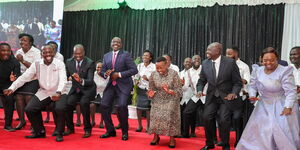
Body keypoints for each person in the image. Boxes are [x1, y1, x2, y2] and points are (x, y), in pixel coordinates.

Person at [236, 48, 300, 150]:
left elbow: (291, 91)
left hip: (281, 105)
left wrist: (288, 106)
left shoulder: (284, 71)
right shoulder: (258, 70)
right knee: (261, 132)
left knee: (280, 131)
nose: (268, 63)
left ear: (277, 59)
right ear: (261, 59)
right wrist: (252, 95)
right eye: (265, 60)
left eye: (271, 60)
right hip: (263, 105)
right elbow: (252, 85)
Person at [3, 44, 68, 142]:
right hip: (44, 91)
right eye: (45, 52)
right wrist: (12, 88)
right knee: (30, 109)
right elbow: (24, 77)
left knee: (60, 108)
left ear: (54, 53)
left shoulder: (59, 63)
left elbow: (63, 79)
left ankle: (59, 132)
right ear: (41, 54)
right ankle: (39, 131)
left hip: (60, 91)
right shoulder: (36, 64)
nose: (47, 54)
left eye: (50, 52)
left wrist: (58, 92)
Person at [197, 42, 242, 150]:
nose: (206, 52)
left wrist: (233, 93)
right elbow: (201, 80)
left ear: (217, 51)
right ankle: (209, 143)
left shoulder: (230, 63)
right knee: (206, 117)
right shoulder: (205, 63)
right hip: (212, 97)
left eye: (209, 50)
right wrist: (199, 90)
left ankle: (225, 144)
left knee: (224, 119)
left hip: (226, 98)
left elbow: (237, 82)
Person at [99, 37, 138, 141]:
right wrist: (105, 74)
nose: (115, 43)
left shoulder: (126, 55)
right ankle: (110, 131)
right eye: (114, 42)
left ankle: (125, 132)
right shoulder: (106, 56)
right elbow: (102, 71)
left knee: (122, 106)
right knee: (104, 105)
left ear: (121, 44)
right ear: (111, 44)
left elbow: (134, 70)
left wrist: (119, 74)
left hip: (124, 85)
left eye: (118, 42)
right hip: (111, 84)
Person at [147, 56, 182, 148]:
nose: (158, 70)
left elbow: (179, 90)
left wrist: (171, 91)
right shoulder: (153, 74)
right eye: (157, 67)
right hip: (157, 98)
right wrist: (150, 92)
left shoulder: (173, 74)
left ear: (166, 65)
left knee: (169, 114)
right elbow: (151, 87)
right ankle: (156, 137)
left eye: (160, 67)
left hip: (171, 99)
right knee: (155, 115)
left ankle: (171, 138)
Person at [64, 44, 96, 138]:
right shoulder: (69, 62)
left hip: (88, 89)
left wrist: (80, 80)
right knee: (68, 104)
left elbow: (90, 81)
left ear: (84, 53)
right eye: (75, 54)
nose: (77, 56)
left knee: (84, 104)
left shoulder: (90, 63)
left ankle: (87, 129)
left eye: (80, 54)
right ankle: (70, 128)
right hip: (76, 89)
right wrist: (67, 77)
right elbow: (65, 75)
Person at [14, 33, 41, 130]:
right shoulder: (18, 51)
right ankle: (22, 121)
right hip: (22, 79)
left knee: (29, 97)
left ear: (30, 42)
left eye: (25, 40)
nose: (22, 42)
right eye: (21, 40)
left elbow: (35, 69)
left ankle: (34, 123)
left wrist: (22, 61)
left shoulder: (36, 52)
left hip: (33, 79)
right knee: (18, 97)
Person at [225, 46, 251, 146]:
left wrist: (235, 77)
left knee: (237, 118)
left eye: (229, 54)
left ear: (236, 54)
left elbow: (246, 81)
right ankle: (225, 141)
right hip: (225, 96)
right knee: (224, 119)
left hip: (238, 96)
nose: (227, 56)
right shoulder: (224, 65)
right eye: (226, 54)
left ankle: (238, 140)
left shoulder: (244, 66)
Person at [0, 43, 20, 131]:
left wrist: (14, 79)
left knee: (9, 100)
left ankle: (8, 125)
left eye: (8, 51)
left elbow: (17, 76)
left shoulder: (14, 62)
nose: (6, 53)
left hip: (8, 85)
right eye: (3, 51)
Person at [181, 55, 202, 138]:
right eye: (195, 59)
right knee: (186, 112)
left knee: (209, 117)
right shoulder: (188, 72)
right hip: (196, 96)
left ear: (200, 61)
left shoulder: (205, 69)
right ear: (192, 61)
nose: (197, 60)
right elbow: (186, 87)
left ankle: (213, 138)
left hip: (206, 96)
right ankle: (185, 134)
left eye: (198, 59)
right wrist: (181, 85)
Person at [135, 50, 156, 132]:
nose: (145, 57)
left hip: (150, 89)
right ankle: (139, 126)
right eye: (144, 55)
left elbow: (157, 78)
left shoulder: (154, 67)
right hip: (140, 88)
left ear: (150, 58)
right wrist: (136, 80)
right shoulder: (139, 66)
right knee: (138, 108)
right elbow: (136, 76)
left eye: (147, 56)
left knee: (148, 109)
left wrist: (148, 79)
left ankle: (148, 127)